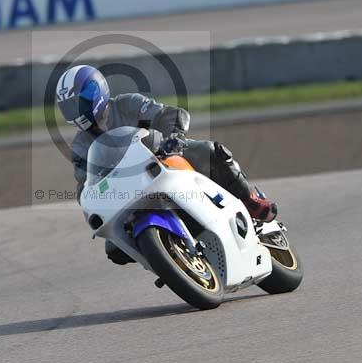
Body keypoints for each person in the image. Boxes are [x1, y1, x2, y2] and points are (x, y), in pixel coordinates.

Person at [55, 64, 278, 265]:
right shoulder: (80, 147)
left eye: (79, 100)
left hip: (164, 157)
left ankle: (251, 200)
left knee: (211, 152)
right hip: (128, 190)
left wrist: (175, 136)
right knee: (115, 249)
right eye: (69, 106)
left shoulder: (127, 104)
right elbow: (85, 184)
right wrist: (91, 201)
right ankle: (170, 258)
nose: (76, 109)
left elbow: (169, 115)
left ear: (98, 90)